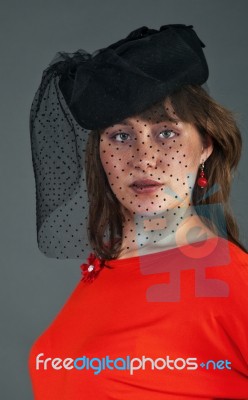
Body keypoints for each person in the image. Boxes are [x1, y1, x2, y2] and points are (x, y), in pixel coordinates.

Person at [29, 25, 248, 399]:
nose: (144, 158)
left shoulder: (231, 281)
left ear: (206, 146)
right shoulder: (107, 266)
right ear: (98, 153)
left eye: (166, 133)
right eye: (120, 136)